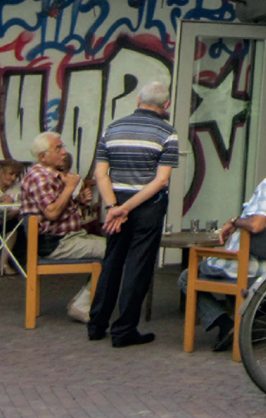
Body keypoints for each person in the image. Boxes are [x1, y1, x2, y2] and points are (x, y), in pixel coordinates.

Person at [178, 143, 266, 351]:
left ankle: (225, 325)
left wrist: (234, 221)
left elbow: (257, 225)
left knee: (187, 276)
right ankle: (246, 323)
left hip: (245, 266)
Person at [88, 80, 179, 348]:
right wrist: (127, 208)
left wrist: (113, 207)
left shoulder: (112, 129)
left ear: (138, 100)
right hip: (147, 206)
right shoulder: (168, 133)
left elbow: (100, 174)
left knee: (112, 261)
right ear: (166, 105)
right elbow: (161, 180)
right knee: (138, 267)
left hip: (115, 203)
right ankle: (124, 330)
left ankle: (96, 325)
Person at [21, 131, 105, 321]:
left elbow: (58, 206)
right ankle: (82, 304)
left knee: (114, 248)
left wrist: (78, 200)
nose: (64, 152)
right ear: (43, 156)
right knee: (114, 251)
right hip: (56, 243)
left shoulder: (51, 175)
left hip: (69, 238)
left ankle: (81, 302)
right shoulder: (39, 177)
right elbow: (51, 212)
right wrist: (69, 188)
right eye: (58, 148)